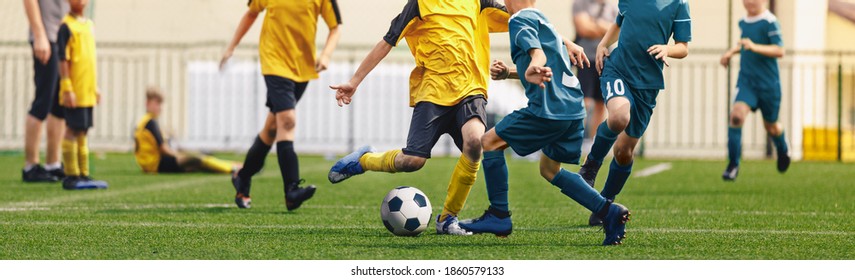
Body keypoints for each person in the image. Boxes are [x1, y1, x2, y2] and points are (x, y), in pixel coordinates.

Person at [328, 0, 510, 235]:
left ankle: (447, 219)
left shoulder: (478, 2)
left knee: (475, 143)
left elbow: (521, 19)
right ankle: (364, 160)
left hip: (470, 91)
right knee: (412, 161)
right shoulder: (419, 4)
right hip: (432, 92)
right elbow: (387, 42)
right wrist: (354, 82)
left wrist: (564, 44)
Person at [456, 0, 629, 246]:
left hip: (549, 110)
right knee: (549, 169)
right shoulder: (542, 19)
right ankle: (608, 211)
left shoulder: (519, 20)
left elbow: (537, 54)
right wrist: (512, 73)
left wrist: (534, 63)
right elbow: (547, 63)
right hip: (572, 109)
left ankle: (499, 214)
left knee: (489, 141)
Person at [219, 0, 342, 210]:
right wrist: (231, 47)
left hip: (302, 68)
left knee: (272, 128)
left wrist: (326, 55)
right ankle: (291, 190)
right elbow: (251, 14)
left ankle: (243, 176)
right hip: (274, 62)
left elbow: (335, 26)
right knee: (288, 121)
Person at [579, 0, 691, 226]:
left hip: (647, 85)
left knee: (624, 151)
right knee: (620, 116)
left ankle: (605, 204)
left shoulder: (679, 4)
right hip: (618, 69)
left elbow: (683, 47)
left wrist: (668, 49)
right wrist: (603, 44)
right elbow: (619, 22)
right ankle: (591, 164)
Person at [720, 0, 790, 181]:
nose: (750, 2)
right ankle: (733, 165)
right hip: (747, 82)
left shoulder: (770, 21)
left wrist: (754, 46)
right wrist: (731, 52)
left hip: (768, 85)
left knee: (771, 127)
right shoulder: (743, 21)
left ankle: (782, 148)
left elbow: (780, 50)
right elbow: (745, 44)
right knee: (736, 116)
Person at [57, 0, 107, 190]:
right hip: (74, 90)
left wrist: (95, 87)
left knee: (83, 130)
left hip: (87, 90)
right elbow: (63, 58)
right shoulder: (66, 26)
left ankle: (84, 174)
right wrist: (67, 86)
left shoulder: (89, 25)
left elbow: (89, 59)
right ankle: (71, 174)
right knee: (71, 128)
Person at [134, 88, 241, 175]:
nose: (160, 108)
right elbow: (163, 149)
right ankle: (233, 167)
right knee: (199, 160)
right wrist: (178, 155)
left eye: (160, 104)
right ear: (147, 103)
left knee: (195, 165)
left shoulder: (142, 122)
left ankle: (233, 166)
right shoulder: (151, 122)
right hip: (158, 164)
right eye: (157, 104)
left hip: (149, 165)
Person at [21, 0, 69, 182]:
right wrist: (39, 34)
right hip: (46, 36)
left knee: (59, 105)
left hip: (61, 36)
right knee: (43, 101)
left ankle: (53, 163)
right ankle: (31, 165)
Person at [573, 0, 618, 148]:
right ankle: (578, 138)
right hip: (585, 58)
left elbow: (617, 30)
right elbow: (583, 29)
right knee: (585, 101)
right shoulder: (580, 4)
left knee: (600, 103)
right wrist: (604, 28)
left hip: (605, 59)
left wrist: (596, 24)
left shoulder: (612, 6)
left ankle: (593, 141)